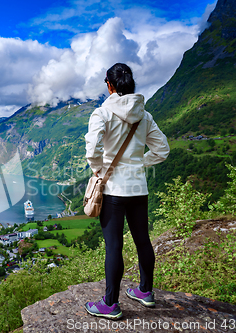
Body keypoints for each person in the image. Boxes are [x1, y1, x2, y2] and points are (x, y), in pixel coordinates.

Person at [83, 63, 170, 320]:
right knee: (143, 239)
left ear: (109, 85)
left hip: (113, 190)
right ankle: (145, 291)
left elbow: (92, 150)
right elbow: (162, 150)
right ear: (131, 84)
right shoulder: (145, 116)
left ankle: (110, 304)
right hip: (138, 189)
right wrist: (138, 163)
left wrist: (101, 171)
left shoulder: (102, 113)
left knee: (114, 246)